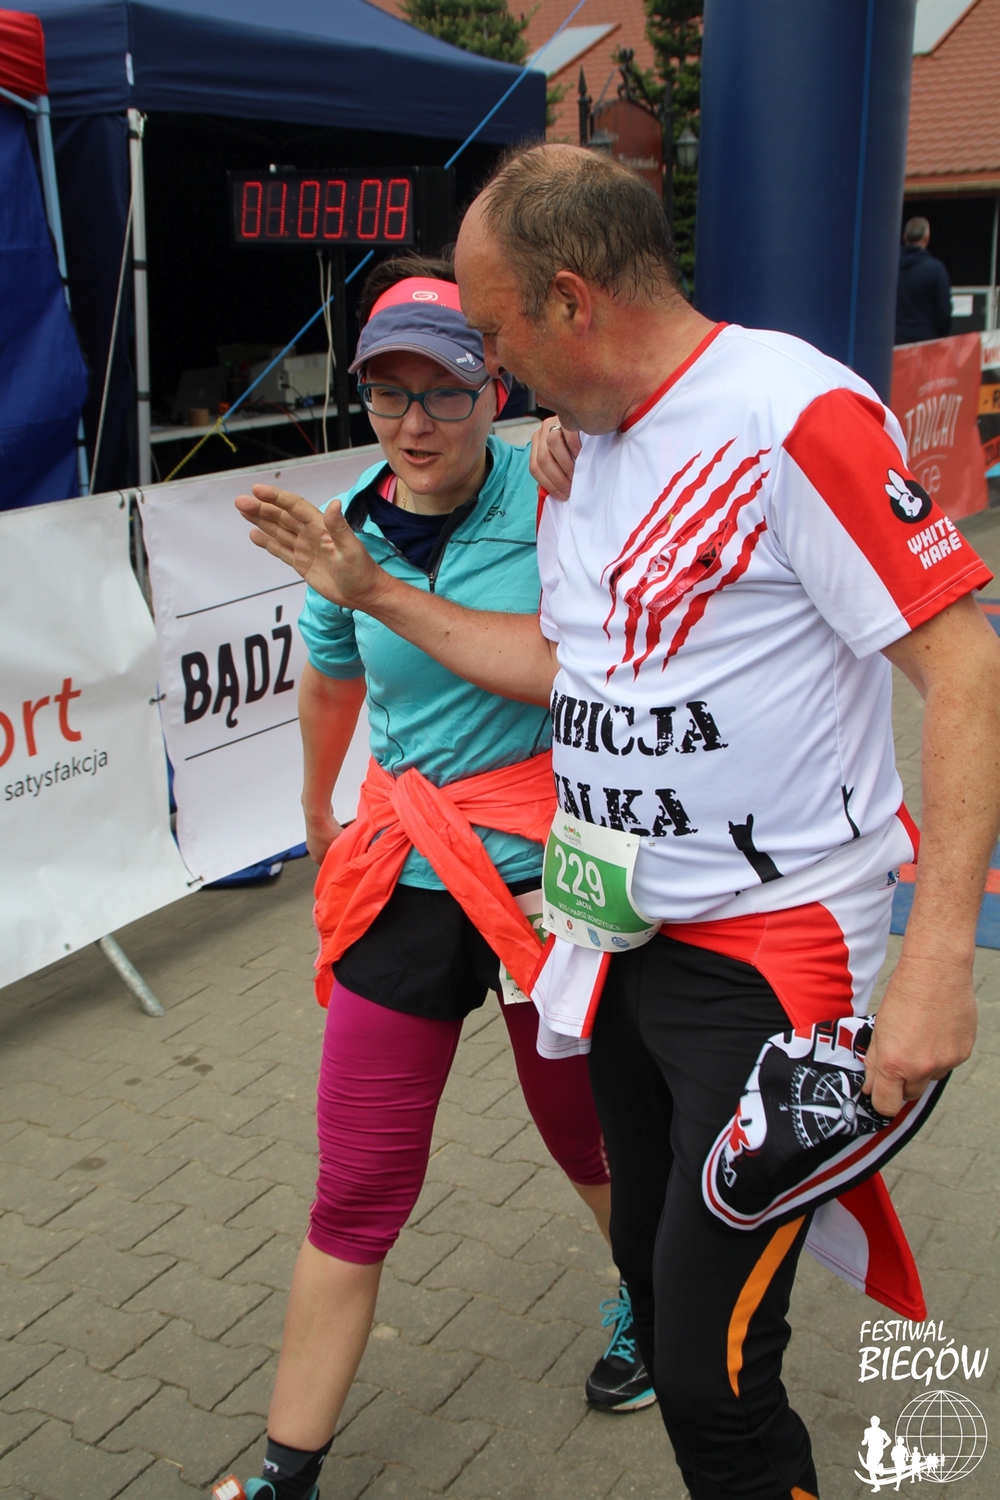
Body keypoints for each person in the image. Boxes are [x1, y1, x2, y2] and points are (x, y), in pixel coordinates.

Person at [236, 147, 1000, 1499]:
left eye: (491, 334)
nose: (489, 367)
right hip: (617, 939)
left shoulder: (791, 414)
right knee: (655, 1290)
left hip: (772, 952)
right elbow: (570, 671)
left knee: (711, 1372)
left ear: (570, 301)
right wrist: (377, 592)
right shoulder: (579, 454)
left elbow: (967, 665)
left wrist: (936, 955)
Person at [221, 252, 654, 1500]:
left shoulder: (559, 493)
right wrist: (318, 808)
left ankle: (649, 1300)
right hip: (409, 870)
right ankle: (286, 1470)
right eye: (388, 393)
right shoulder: (344, 527)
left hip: (553, 876)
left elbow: (573, 667)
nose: (415, 424)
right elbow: (329, 677)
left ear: (493, 388)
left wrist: (580, 447)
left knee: (591, 1141)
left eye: (446, 392)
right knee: (355, 1187)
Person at [895, 216, 952, 344]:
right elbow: (944, 312)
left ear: (905, 237)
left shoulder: (888, 267)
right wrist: (941, 335)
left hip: (893, 340)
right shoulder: (936, 269)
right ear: (926, 238)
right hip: (925, 342)